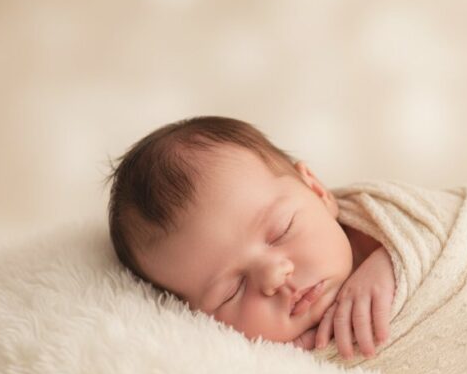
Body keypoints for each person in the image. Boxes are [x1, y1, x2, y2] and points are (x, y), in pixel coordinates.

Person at [107, 116, 393, 360]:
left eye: (282, 231)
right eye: (232, 291)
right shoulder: (261, 366)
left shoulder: (383, 220)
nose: (273, 276)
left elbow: (438, 220)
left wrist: (391, 261)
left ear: (316, 190)